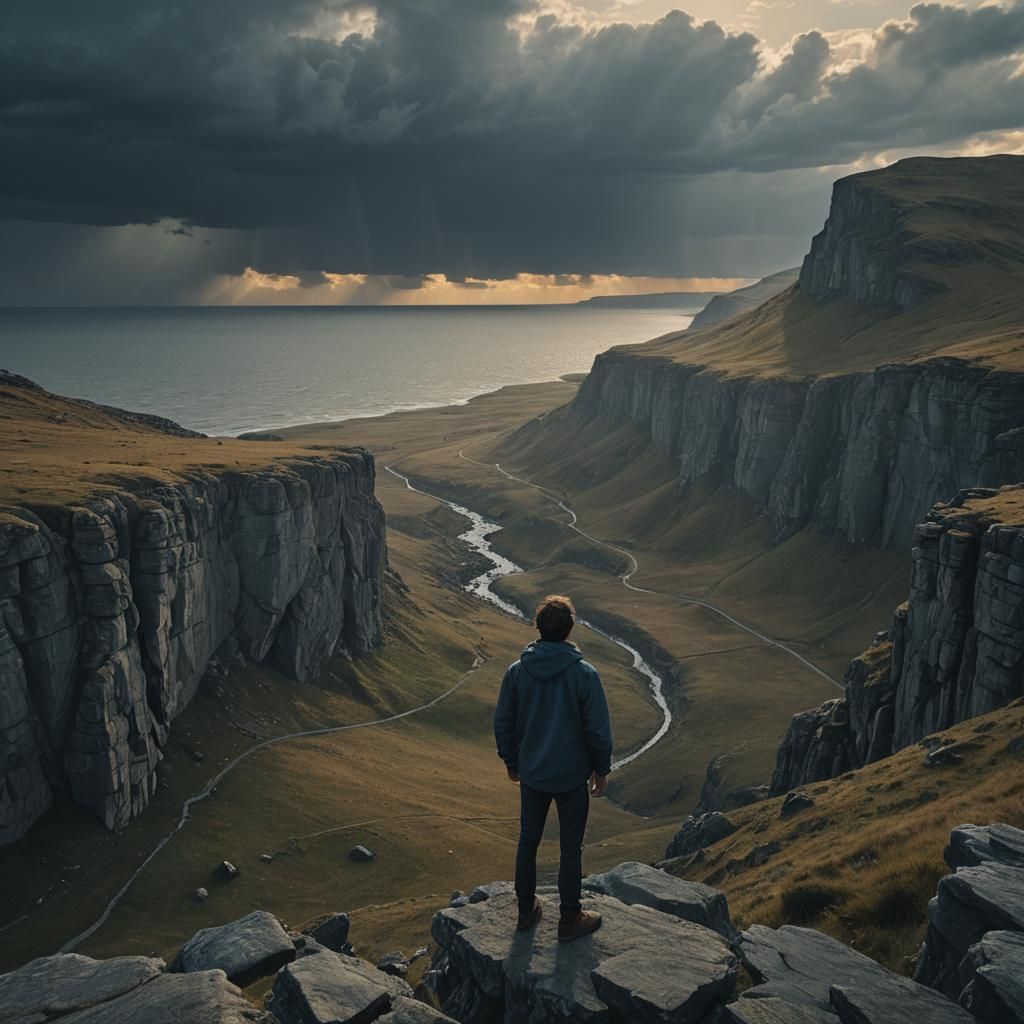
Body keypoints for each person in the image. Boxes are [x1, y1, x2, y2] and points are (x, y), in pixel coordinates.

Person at [493, 594, 613, 942]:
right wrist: (600, 769)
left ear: (539, 627)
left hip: (532, 774)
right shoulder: (584, 675)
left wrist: (512, 762)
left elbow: (503, 722)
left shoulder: (517, 672)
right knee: (570, 848)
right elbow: (597, 729)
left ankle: (525, 911)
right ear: (569, 630)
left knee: (528, 840)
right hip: (571, 776)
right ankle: (570, 918)